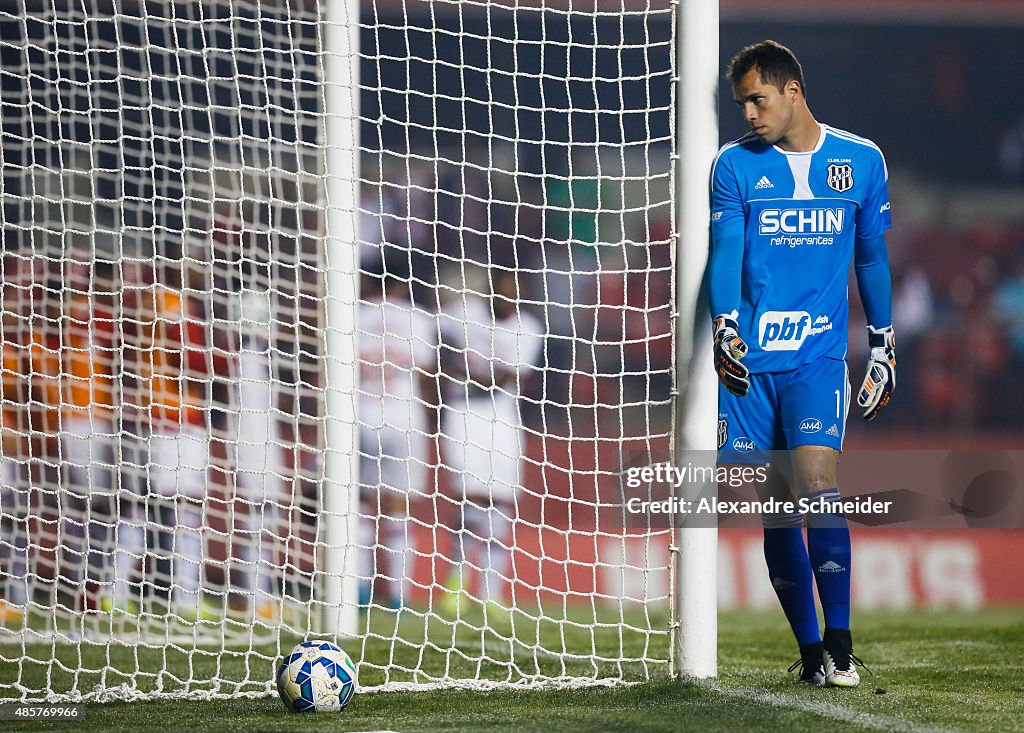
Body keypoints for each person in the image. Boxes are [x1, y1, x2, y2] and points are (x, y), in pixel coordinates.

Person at [709, 40, 895, 687]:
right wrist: (725, 326)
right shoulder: (733, 165)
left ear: (794, 90)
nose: (749, 114)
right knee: (779, 507)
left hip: (817, 358)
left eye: (758, 100)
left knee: (819, 483)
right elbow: (726, 248)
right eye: (742, 104)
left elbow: (870, 255)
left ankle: (841, 643)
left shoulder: (862, 160)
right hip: (754, 364)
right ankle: (812, 651)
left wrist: (883, 341)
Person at [439, 268, 544, 618]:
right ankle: (456, 583)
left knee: (501, 502)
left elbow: (510, 375)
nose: (509, 295)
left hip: (502, 418)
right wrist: (451, 362)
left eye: (517, 289)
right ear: (493, 289)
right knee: (470, 498)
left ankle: (490, 590)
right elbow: (432, 337)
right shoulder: (464, 313)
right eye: (504, 287)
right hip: (463, 413)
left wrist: (468, 368)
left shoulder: (529, 328)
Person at [356, 264, 439, 609]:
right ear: (404, 285)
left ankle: (357, 593)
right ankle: (398, 596)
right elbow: (427, 374)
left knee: (358, 509)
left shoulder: (352, 315)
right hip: (403, 420)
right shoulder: (418, 319)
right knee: (399, 511)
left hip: (358, 418)